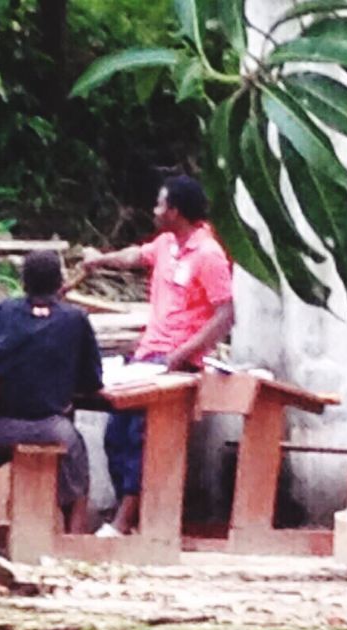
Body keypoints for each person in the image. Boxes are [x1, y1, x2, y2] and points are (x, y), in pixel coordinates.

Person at [81, 174, 234, 536]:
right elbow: (137, 255)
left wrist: (182, 354)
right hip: (147, 356)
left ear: (175, 211)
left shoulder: (209, 255)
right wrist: (100, 260)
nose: (155, 210)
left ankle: (123, 522)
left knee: (141, 439)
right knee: (115, 433)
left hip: (175, 362)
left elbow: (225, 314)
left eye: (160, 204)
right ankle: (131, 517)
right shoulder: (166, 243)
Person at [0, 250, 102, 534]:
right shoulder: (75, 319)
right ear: (61, 281)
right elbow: (92, 381)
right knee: (77, 456)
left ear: (23, 282)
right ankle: (74, 537)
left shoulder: (4, 311)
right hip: (52, 426)